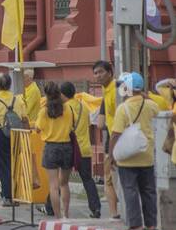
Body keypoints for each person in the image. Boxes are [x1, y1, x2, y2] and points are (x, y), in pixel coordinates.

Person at [110, 72, 160, 230]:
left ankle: (135, 224)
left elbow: (116, 133)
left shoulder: (123, 109)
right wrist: (145, 96)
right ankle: (151, 224)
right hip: (147, 155)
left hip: (127, 158)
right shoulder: (151, 105)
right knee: (149, 191)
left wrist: (111, 155)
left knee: (130, 191)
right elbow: (159, 110)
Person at [0, 72, 27, 205]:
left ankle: (8, 196)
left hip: (0, 134)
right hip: (17, 133)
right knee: (16, 164)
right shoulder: (18, 100)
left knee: (3, 165)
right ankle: (17, 195)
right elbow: (25, 120)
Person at [60, 82, 101, 219]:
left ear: (63, 94)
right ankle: (96, 208)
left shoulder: (65, 108)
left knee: (62, 179)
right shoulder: (84, 107)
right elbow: (88, 126)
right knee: (87, 179)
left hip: (70, 148)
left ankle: (49, 206)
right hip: (84, 148)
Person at [34, 81, 75, 220]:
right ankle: (67, 213)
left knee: (53, 185)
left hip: (51, 147)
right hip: (66, 146)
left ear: (46, 95)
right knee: (64, 183)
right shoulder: (67, 108)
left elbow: (38, 128)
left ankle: (57, 216)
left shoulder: (44, 111)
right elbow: (71, 126)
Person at [91, 60, 122, 220]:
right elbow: (102, 123)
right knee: (110, 178)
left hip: (118, 139)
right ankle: (114, 213)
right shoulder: (107, 90)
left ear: (111, 72)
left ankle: (116, 213)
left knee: (113, 178)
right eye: (95, 73)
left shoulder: (118, 88)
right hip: (113, 138)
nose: (98, 76)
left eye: (101, 72)